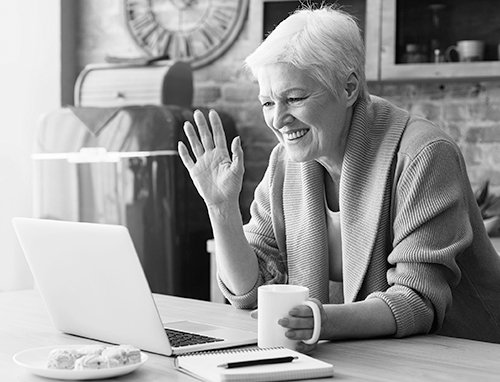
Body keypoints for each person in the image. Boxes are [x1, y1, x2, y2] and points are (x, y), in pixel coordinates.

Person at [177, 4, 500, 352]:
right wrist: (221, 207)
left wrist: (320, 321)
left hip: (465, 356)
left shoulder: (423, 155)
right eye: (268, 103)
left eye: (295, 98)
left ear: (348, 88)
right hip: (368, 355)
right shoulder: (285, 163)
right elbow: (252, 289)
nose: (278, 119)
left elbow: (417, 300)